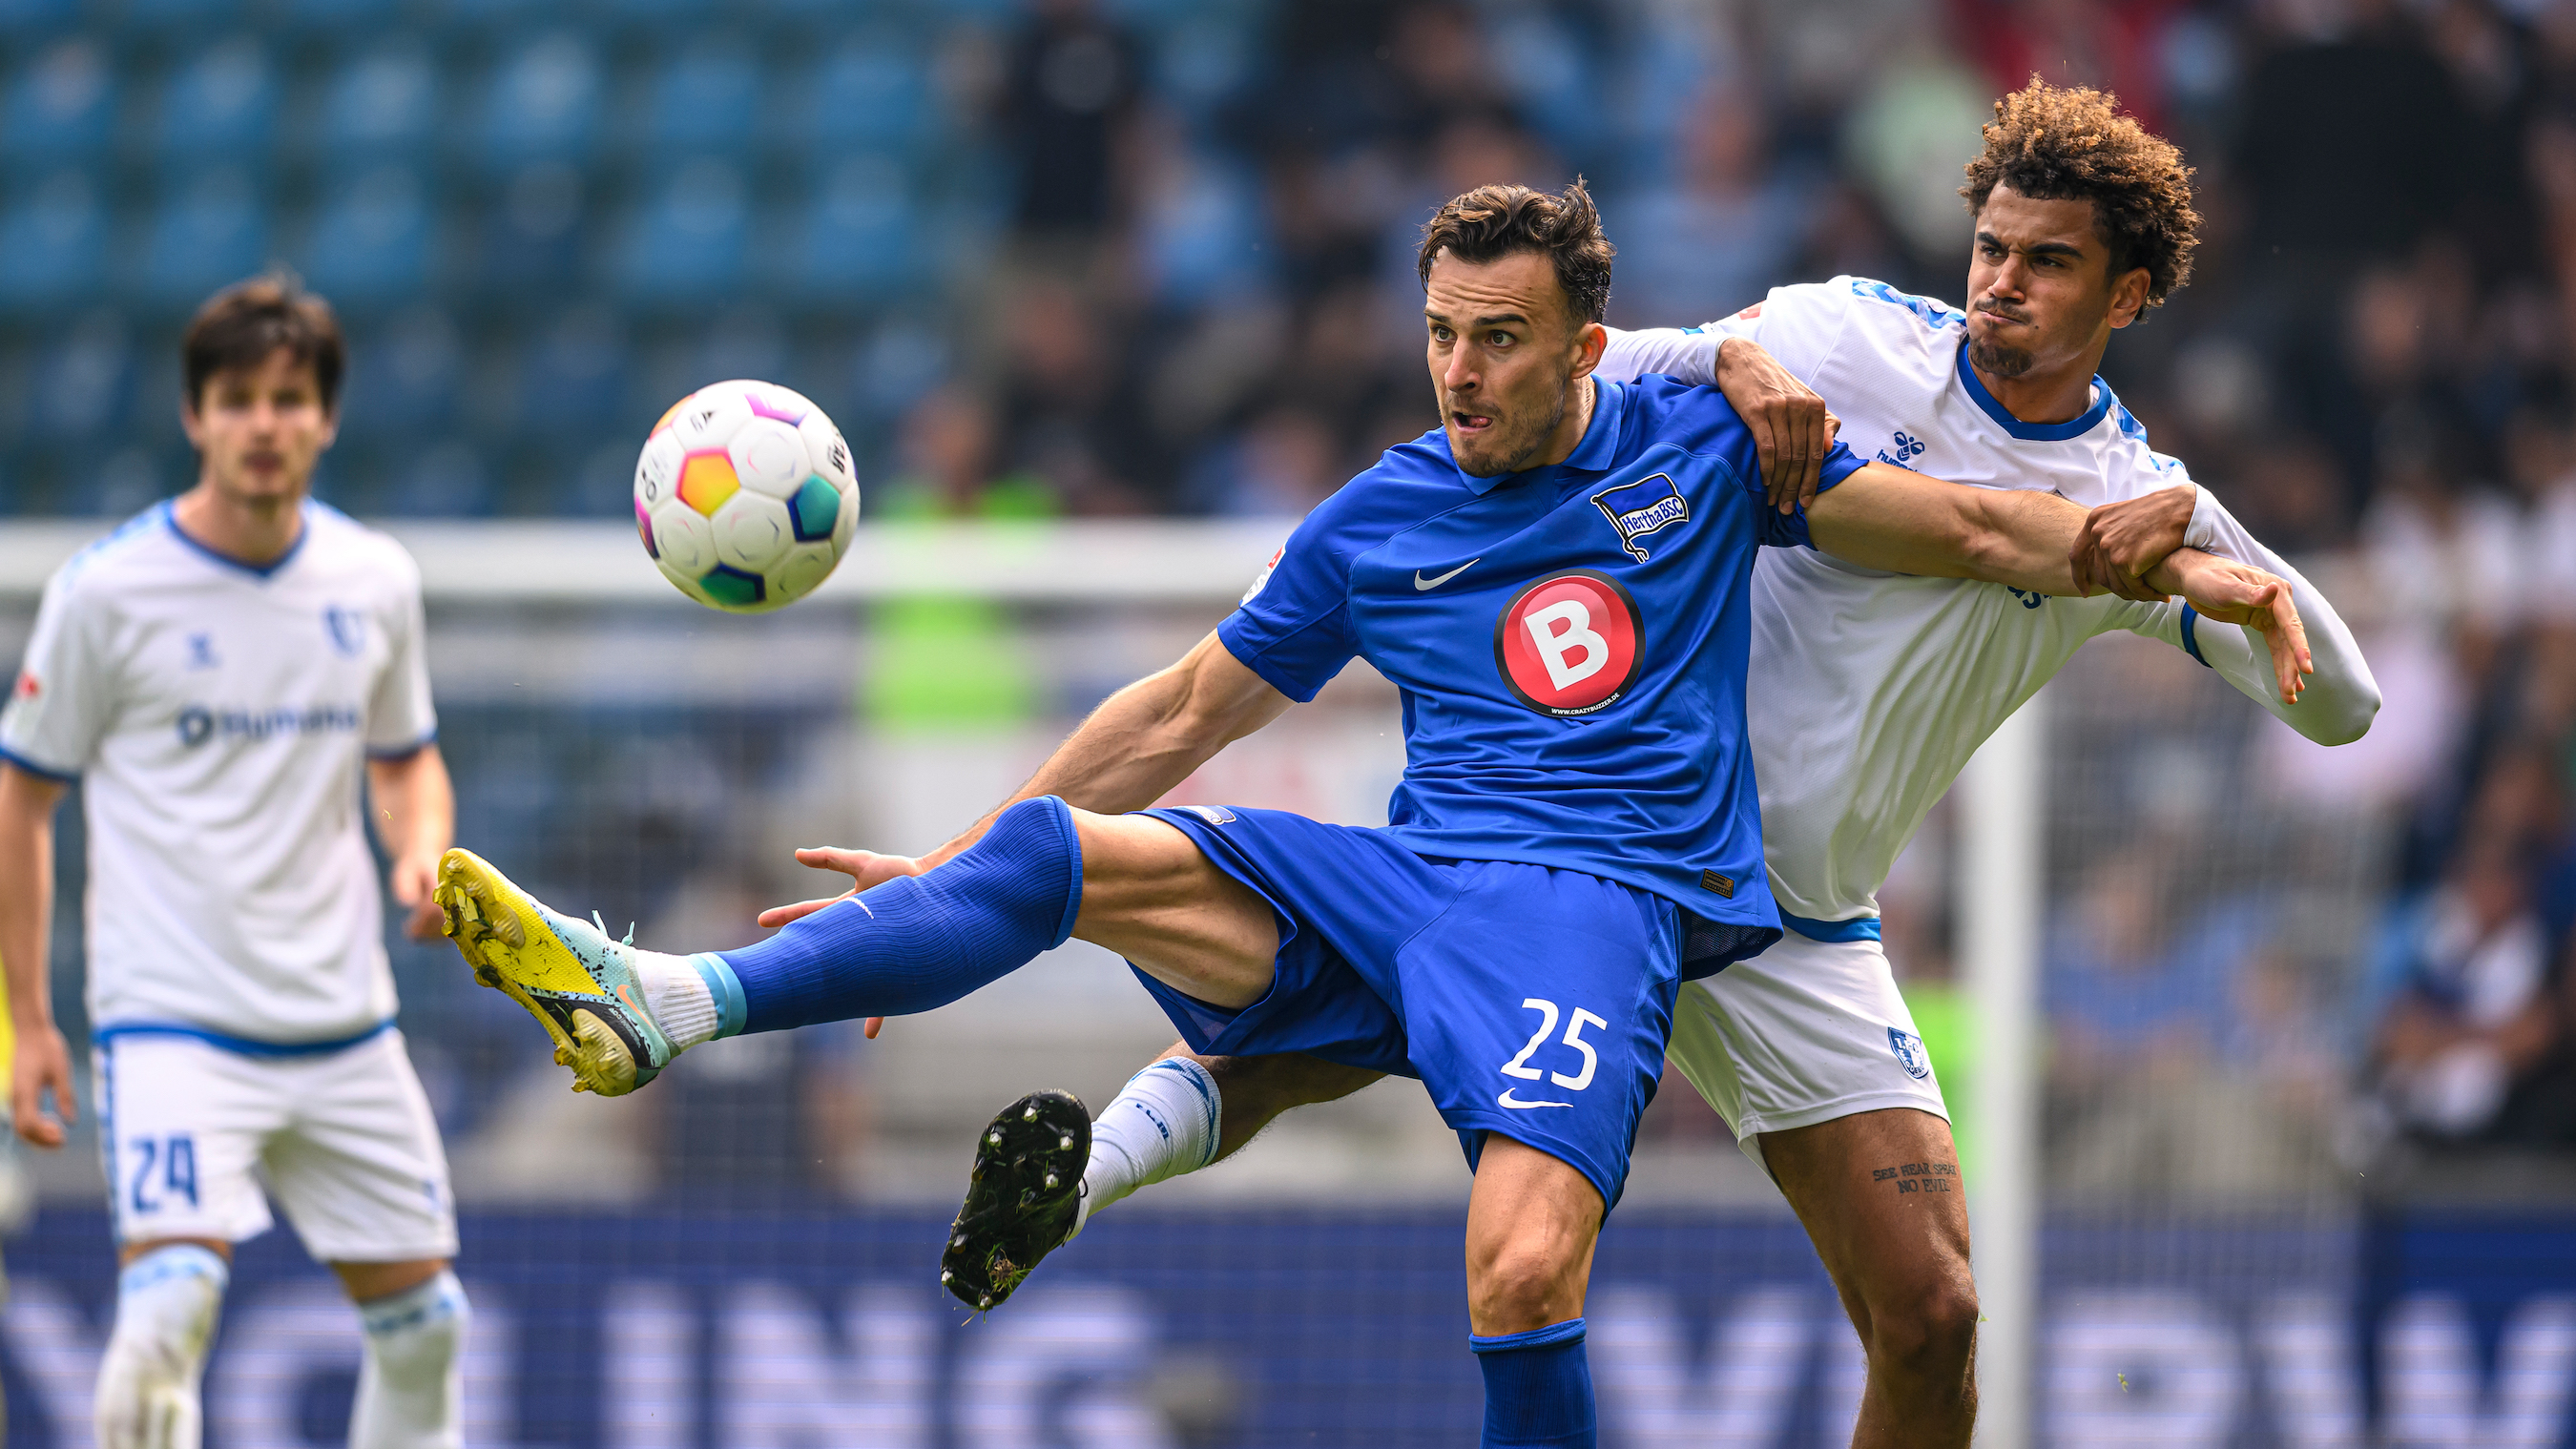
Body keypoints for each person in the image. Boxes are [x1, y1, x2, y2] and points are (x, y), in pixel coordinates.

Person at [435, 180, 2302, 1449]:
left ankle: (1100, 1159)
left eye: (1500, 338)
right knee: (1053, 853)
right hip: (1408, 881)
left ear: (1594, 344)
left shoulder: (1712, 444)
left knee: (1519, 1261)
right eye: (1440, 334)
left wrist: (2150, 557)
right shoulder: (1382, 515)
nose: (1461, 372)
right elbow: (1183, 707)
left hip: (1599, 905)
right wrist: (942, 881)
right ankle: (661, 1003)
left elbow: (1965, 527)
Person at [911, 80, 2382, 1449]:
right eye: (1991, 246)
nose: (2001, 282)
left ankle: (1092, 1165)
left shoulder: (2133, 504)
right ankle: (1086, 1169)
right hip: (1613, 834)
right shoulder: (1854, 330)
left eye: (2048, 263)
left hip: (1799, 923)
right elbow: (1627, 354)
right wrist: (1742, 351)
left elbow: (2347, 704)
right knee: (1330, 1028)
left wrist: (2204, 541)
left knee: (1933, 1318)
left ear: (2127, 294)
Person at [0, 278, 468, 1449]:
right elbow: (22, 797)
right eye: (239, 400)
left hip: (342, 1026)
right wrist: (28, 1018)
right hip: (175, 1023)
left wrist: (419, 853)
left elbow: (408, 759)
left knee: (427, 1328)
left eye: (290, 399)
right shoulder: (107, 593)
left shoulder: (375, 581)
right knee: (169, 1310)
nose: (266, 423)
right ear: (195, 417)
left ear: (327, 419)